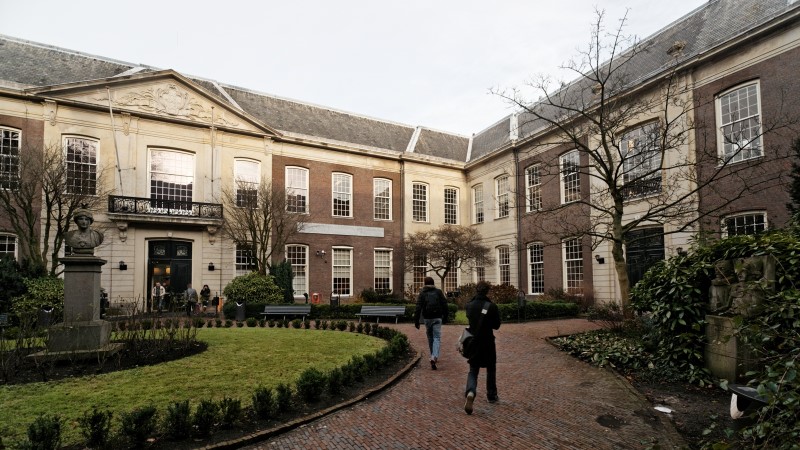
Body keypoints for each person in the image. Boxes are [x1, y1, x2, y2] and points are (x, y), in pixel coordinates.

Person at [463, 281, 501, 415]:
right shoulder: (491, 306)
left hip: (474, 342)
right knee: (491, 368)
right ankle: (491, 395)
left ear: (476, 290)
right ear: (487, 291)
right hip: (488, 342)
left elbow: (469, 319)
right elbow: (496, 325)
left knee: (473, 370)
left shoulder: (469, 305)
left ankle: (471, 391)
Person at [414, 276, 448, 370]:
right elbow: (445, 304)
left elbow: (418, 307)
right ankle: (434, 356)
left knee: (430, 337)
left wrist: (416, 321)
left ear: (425, 284)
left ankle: (433, 355)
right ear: (433, 283)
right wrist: (445, 317)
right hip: (437, 317)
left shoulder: (422, 293)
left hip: (427, 319)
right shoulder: (438, 292)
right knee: (437, 337)